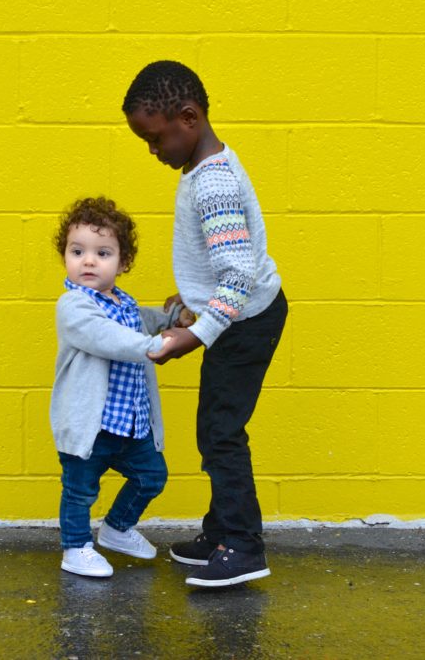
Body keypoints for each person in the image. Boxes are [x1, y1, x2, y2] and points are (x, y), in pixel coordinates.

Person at [122, 60, 289, 588]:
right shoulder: (205, 169)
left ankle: (242, 545)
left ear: (188, 118)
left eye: (154, 138)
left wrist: (193, 334)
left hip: (246, 321)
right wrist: (193, 299)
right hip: (236, 315)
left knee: (222, 434)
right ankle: (221, 532)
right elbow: (224, 265)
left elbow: (237, 275)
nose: (153, 151)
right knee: (213, 428)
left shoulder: (212, 182)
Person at [50, 196, 193, 578]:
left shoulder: (123, 303)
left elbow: (145, 320)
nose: (88, 261)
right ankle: (76, 547)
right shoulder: (74, 306)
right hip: (91, 425)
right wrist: (152, 345)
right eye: (77, 251)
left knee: (152, 476)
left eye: (103, 252)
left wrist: (174, 317)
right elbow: (106, 337)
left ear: (123, 263)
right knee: (80, 489)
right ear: (64, 255)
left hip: (129, 423)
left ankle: (117, 528)